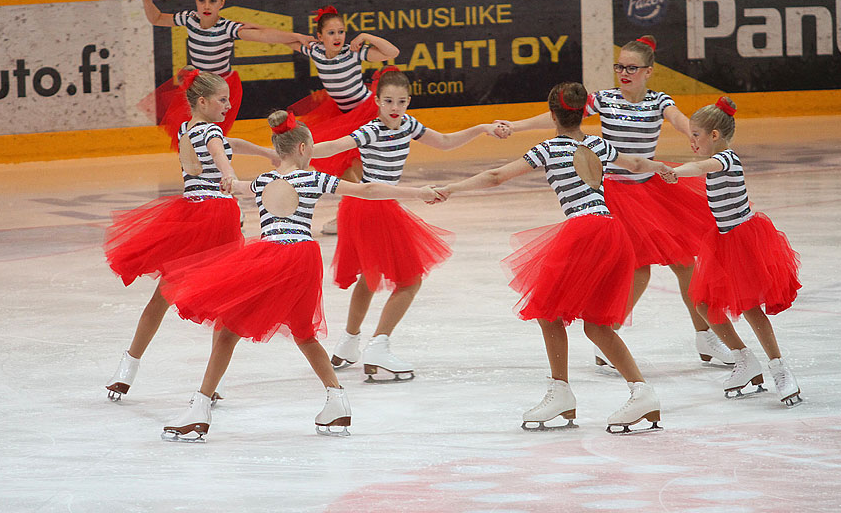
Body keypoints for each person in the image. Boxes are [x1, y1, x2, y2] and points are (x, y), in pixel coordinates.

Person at [159, 110, 442, 441]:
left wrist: (226, 182)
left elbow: (235, 184)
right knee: (303, 334)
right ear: (305, 149)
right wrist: (418, 193)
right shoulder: (312, 179)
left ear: (279, 150)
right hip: (303, 259)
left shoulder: (263, 180)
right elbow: (368, 190)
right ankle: (337, 401)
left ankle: (200, 408)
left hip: (269, 259)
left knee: (228, 330)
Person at [436, 82, 671, 433]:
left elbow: (497, 175)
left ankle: (561, 391)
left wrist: (450, 188)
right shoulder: (597, 143)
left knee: (547, 311)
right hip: (613, 231)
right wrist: (662, 167)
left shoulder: (548, 148)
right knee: (597, 325)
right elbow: (636, 162)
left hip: (584, 231)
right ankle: (642, 392)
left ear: (552, 114)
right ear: (581, 113)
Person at [501, 35, 733, 367]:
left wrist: (699, 133)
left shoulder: (659, 101)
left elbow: (683, 122)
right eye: (619, 66)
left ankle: (705, 336)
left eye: (631, 68)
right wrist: (516, 125)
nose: (624, 73)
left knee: (685, 265)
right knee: (639, 270)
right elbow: (557, 115)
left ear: (649, 71)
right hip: (615, 194)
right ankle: (607, 334)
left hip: (653, 191)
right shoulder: (605, 99)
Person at [313, 68, 509, 383]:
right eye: (388, 100)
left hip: (368, 206)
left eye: (401, 101)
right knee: (410, 281)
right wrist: (297, 151)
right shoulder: (371, 130)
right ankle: (378, 347)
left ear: (408, 102)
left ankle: (348, 344)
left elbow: (444, 142)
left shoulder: (408, 125)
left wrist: (482, 127)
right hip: (373, 206)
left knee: (370, 277)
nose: (394, 107)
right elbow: (336, 145)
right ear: (376, 101)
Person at [104, 68, 276, 402]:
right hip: (216, 217)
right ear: (202, 100)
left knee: (162, 296)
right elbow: (221, 155)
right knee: (226, 302)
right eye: (222, 100)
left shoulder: (188, 127)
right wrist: (233, 177)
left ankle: (128, 366)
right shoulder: (210, 132)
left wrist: (264, 152)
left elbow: (227, 144)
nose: (228, 106)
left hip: (191, 215)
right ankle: (215, 382)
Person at [662, 97, 802, 406]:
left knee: (751, 308)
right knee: (703, 304)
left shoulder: (727, 158)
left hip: (744, 241)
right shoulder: (718, 157)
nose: (691, 140)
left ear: (714, 135)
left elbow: (703, 166)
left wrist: (677, 172)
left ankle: (779, 367)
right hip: (723, 241)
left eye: (696, 135)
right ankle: (744, 359)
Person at [140, 0, 313, 149]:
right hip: (198, 85)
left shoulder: (226, 27)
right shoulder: (189, 19)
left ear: (221, 3)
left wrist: (297, 36)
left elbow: (263, 36)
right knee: (193, 136)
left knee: (212, 136)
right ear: (196, 1)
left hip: (220, 87)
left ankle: (227, 162)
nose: (207, 6)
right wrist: (147, 0)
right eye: (202, 0)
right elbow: (157, 18)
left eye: (213, 1)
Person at [283, 5, 400, 234]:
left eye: (341, 32)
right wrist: (297, 37)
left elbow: (392, 53)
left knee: (363, 166)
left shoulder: (352, 52)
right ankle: (349, 212)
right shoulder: (315, 51)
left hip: (364, 113)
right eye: (331, 33)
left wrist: (366, 36)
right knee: (341, 167)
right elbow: (283, 41)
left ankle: (382, 209)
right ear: (320, 36)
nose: (337, 37)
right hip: (339, 115)